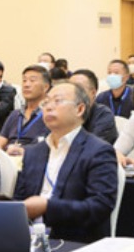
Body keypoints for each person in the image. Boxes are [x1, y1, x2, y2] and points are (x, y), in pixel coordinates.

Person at [12, 81, 118, 243]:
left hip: (74, 242)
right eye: (46, 102)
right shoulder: (33, 152)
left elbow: (100, 207)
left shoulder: (98, 151)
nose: (49, 107)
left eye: (58, 101)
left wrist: (47, 206)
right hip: (30, 240)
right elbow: (20, 199)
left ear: (80, 109)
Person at [0, 65, 51, 154]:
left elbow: (47, 148)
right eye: (24, 80)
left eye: (32, 80)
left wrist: (22, 151)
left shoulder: (50, 115)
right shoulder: (15, 114)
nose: (26, 85)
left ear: (45, 87)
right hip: (9, 158)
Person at [69, 69, 119, 144]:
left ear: (93, 93)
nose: (73, 93)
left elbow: (92, 147)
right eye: (70, 88)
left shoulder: (103, 115)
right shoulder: (64, 112)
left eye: (79, 88)